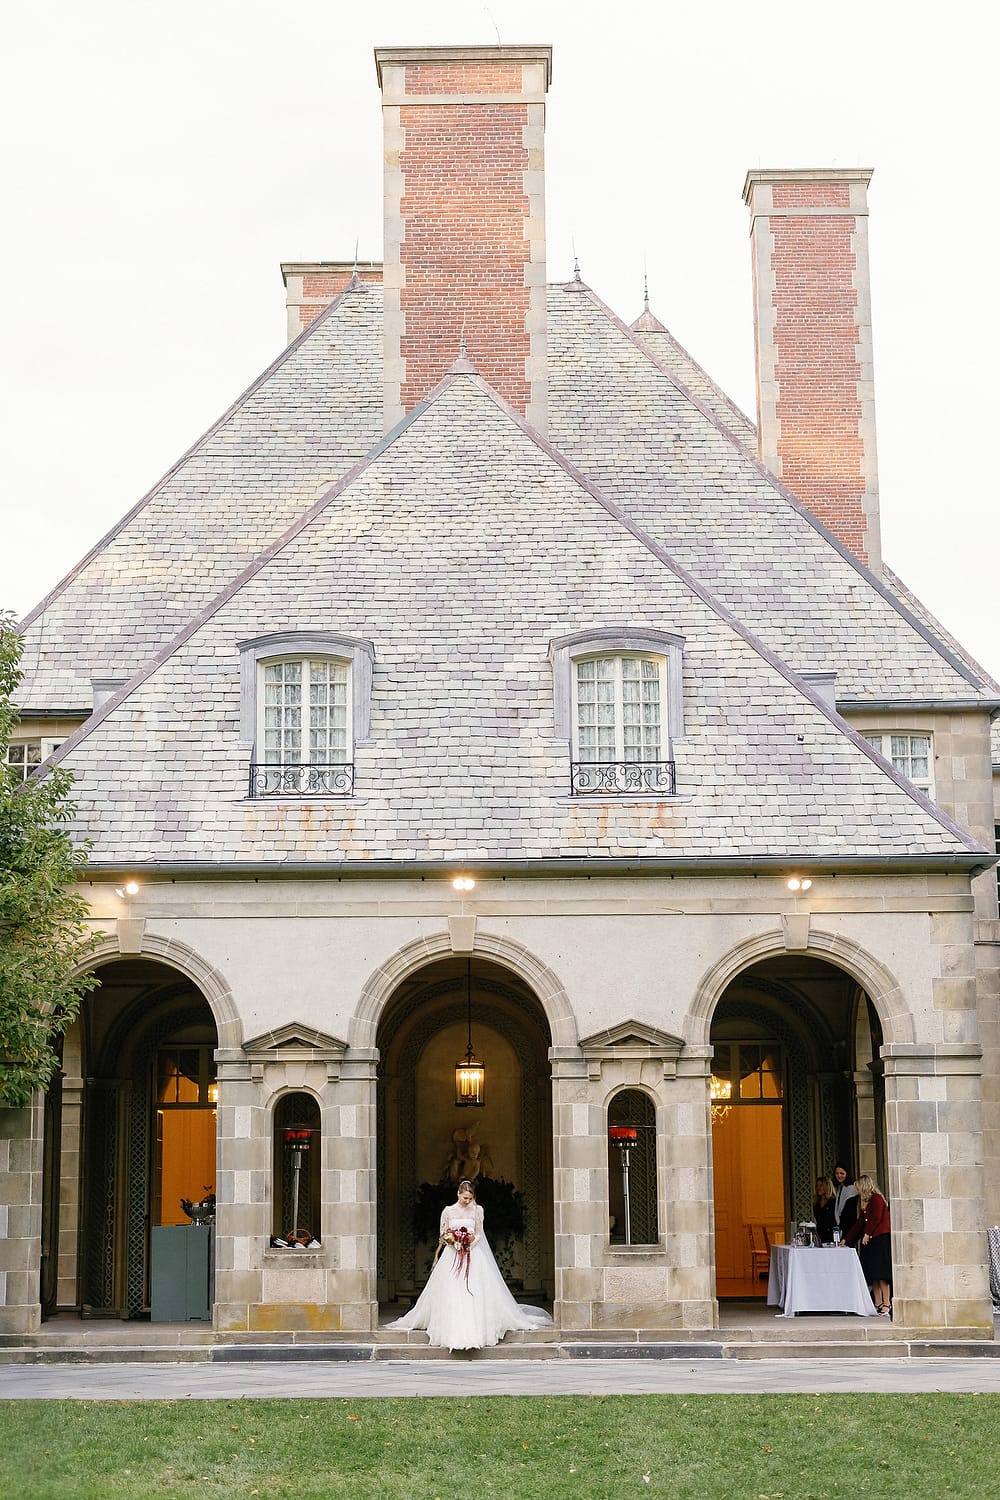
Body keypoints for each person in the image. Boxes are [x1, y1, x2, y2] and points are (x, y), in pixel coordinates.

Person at [388, 1179, 552, 1351]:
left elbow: (479, 1233)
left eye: (470, 1198)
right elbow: (443, 1234)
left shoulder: (477, 1210)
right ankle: (451, 1329)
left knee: (474, 1290)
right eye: (464, 1197)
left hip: (473, 1254)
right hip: (452, 1256)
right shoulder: (448, 1211)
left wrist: (468, 1244)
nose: (467, 1201)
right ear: (458, 1194)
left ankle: (476, 1328)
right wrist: (454, 1243)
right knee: (451, 1291)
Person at [843, 1174, 892, 1315]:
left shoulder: (876, 1198)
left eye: (858, 1187)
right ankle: (877, 1303)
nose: (857, 1191)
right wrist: (847, 1239)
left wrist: (867, 1233)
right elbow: (859, 1224)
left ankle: (886, 1303)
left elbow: (876, 1218)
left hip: (880, 1239)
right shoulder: (865, 1202)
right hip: (870, 1241)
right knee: (873, 1274)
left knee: (881, 1273)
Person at [831, 1161, 859, 1240]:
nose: (839, 1176)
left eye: (842, 1173)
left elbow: (849, 1211)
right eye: (837, 1173)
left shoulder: (852, 1188)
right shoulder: (840, 1188)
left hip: (848, 1227)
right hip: (840, 1226)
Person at [813, 1176, 836, 1244]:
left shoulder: (833, 1202)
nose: (818, 1188)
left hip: (831, 1235)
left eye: (821, 1186)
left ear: (827, 1187)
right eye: (817, 1186)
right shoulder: (816, 1203)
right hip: (820, 1234)